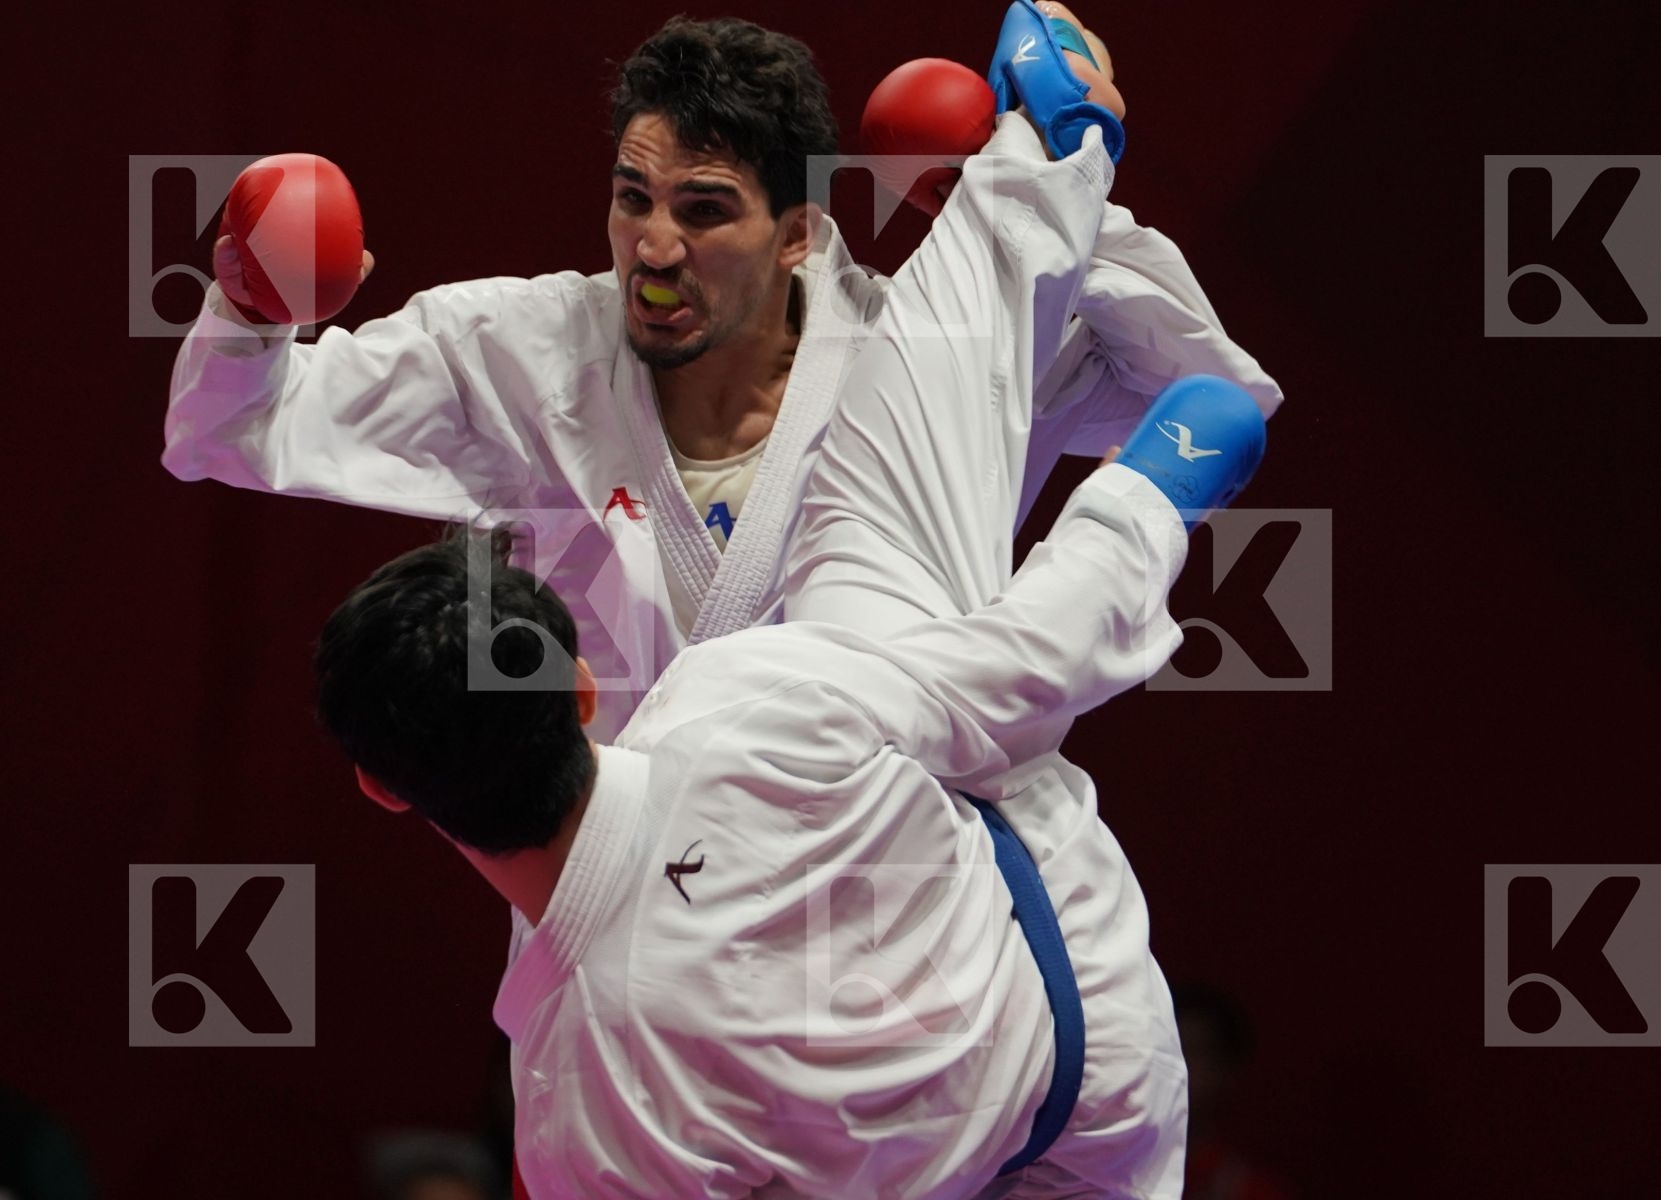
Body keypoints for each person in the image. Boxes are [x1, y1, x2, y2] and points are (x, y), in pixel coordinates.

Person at [166, 6, 1282, 743]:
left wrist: (1070, 194)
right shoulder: (521, 352)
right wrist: (252, 308)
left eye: (703, 211)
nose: (652, 247)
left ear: (798, 233)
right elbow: (230, 434)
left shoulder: (931, 358)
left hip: (890, 916)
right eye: (631, 198)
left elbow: (1205, 388)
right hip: (627, 936)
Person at [314, 376, 1262, 1199]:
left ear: (381, 789)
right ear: (582, 688)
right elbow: (1030, 660)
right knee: (932, 657)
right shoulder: (737, 698)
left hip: (1073, 1089)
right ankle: (1031, 197)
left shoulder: (576, 1108)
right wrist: (1153, 485)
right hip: (1104, 1042)